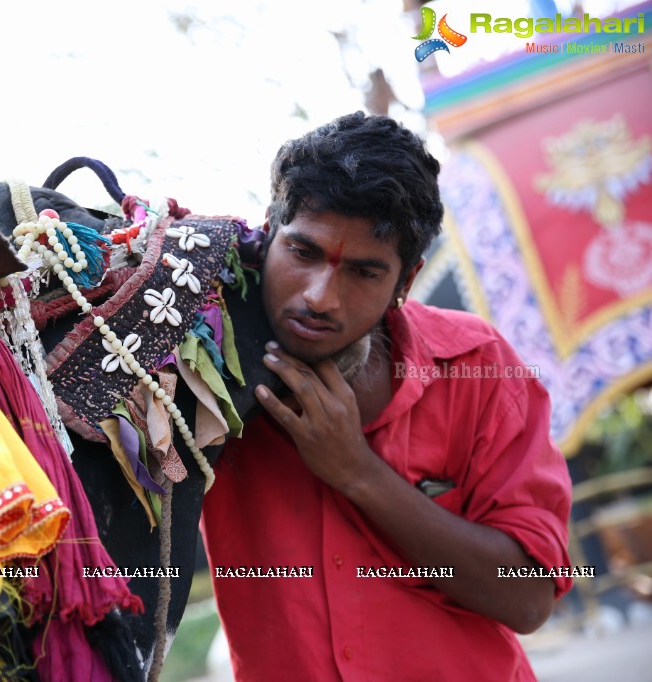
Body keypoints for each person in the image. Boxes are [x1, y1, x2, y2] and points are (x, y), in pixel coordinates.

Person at [201, 112, 573, 681]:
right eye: (303, 252)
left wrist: (357, 472)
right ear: (268, 235)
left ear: (406, 281)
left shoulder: (478, 366)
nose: (320, 297)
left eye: (364, 272)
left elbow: (528, 600)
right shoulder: (194, 367)